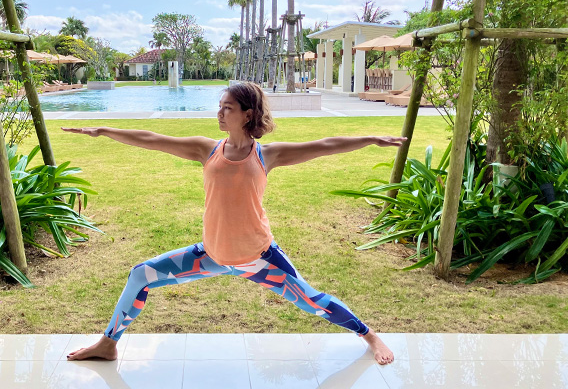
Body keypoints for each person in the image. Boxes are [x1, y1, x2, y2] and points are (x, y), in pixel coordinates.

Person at [61, 82, 402, 365]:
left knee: (312, 301)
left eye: (227, 108)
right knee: (141, 275)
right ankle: (108, 343)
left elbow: (324, 146)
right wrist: (104, 130)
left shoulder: (266, 155)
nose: (220, 113)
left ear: (248, 114)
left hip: (259, 259)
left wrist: (369, 139)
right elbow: (152, 139)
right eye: (220, 106)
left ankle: (369, 335)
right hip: (211, 255)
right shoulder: (206, 149)